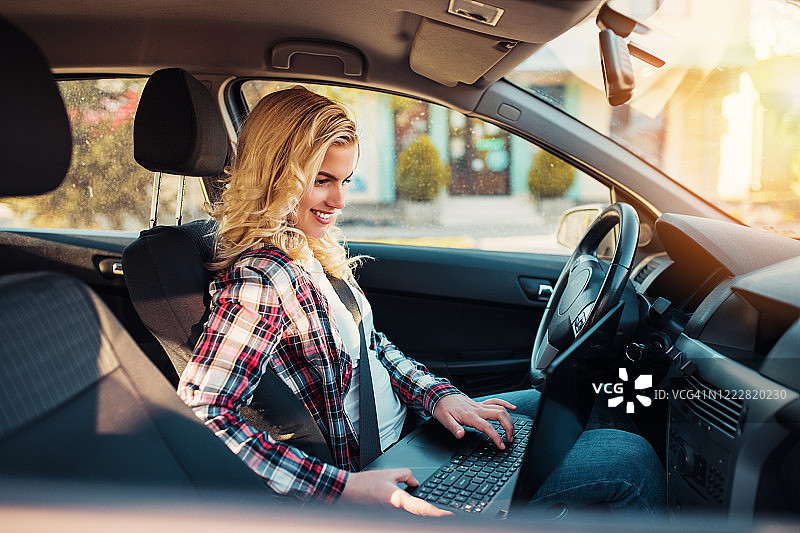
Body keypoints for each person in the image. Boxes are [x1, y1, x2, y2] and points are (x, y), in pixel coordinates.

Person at [178, 86, 665, 517]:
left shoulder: (307, 249)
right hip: (382, 475)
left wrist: (440, 397)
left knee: (546, 408)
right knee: (628, 460)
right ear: (275, 175)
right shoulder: (263, 279)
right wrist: (345, 489)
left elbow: (372, 348)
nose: (339, 200)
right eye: (322, 179)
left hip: (412, 436)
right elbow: (201, 414)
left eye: (345, 181)